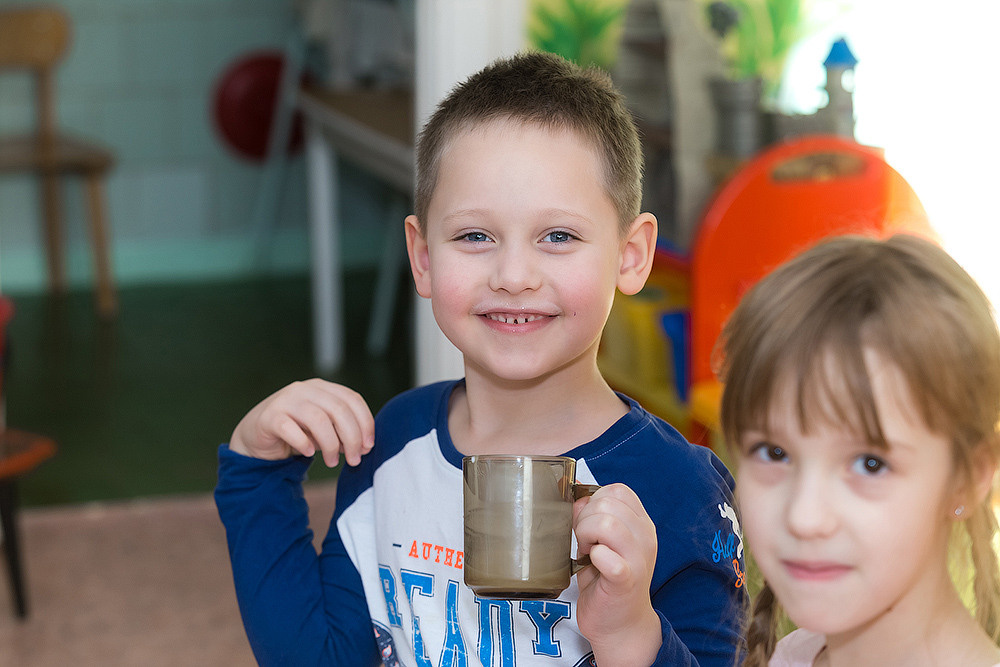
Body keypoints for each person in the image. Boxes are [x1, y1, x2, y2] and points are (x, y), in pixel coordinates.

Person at [215, 51, 745, 666]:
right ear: (422, 256)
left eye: (558, 236)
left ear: (630, 256)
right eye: (474, 236)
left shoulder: (682, 491)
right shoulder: (394, 442)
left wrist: (631, 633)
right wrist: (256, 472)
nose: (514, 275)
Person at [716, 234, 1000, 666]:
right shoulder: (795, 654)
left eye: (870, 464)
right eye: (774, 453)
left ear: (969, 476)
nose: (804, 517)